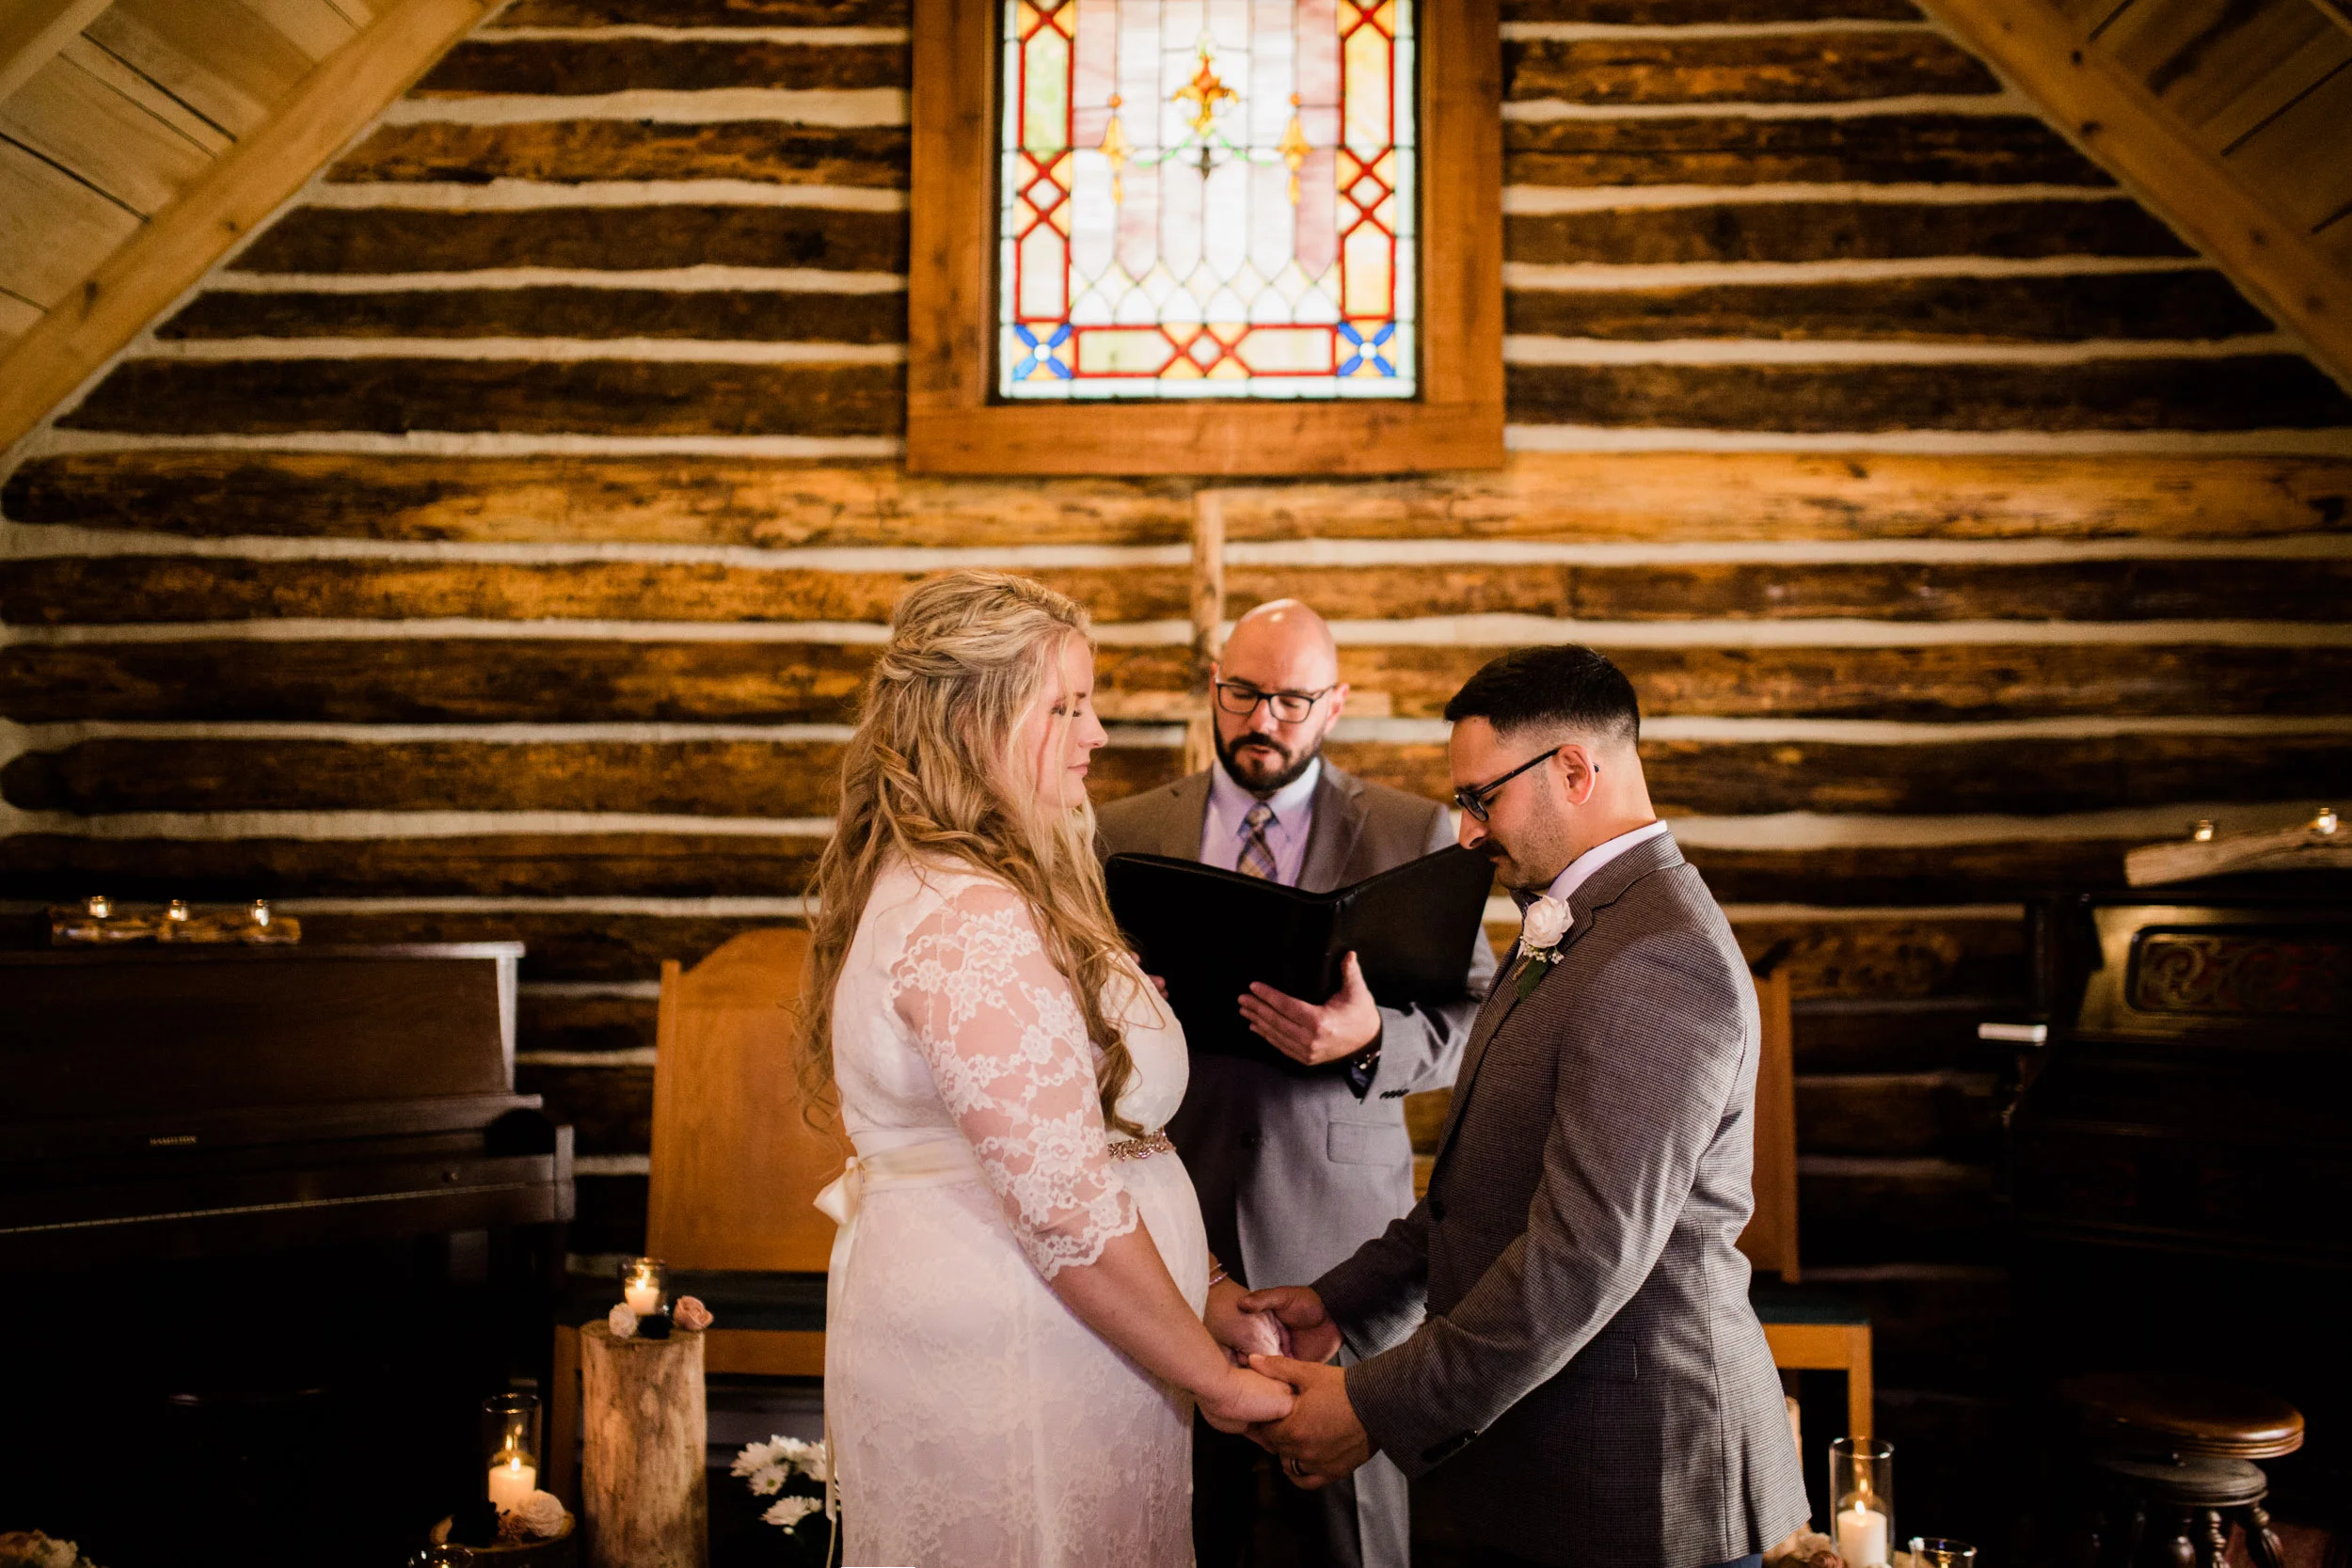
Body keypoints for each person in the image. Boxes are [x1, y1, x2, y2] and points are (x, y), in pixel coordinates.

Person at [1241, 644, 1811, 1568]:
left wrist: (1371, 1405)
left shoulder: (1660, 953)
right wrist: (1340, 1301)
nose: (1468, 832)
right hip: (1545, 1463)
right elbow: (1483, 1190)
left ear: (1574, 771)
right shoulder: (1573, 916)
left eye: (1482, 798)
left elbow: (1580, 1257)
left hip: (1636, 1480)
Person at [799, 570, 1295, 1568]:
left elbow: (1107, 1139)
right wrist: (1216, 1378)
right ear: (970, 722)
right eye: (1064, 706)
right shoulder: (968, 915)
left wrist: (1209, 1293)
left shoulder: (985, 886)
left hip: (1065, 1336)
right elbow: (1065, 1206)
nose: (1095, 733)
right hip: (1017, 1350)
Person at [1095, 599, 1497, 1568]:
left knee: (1352, 1534)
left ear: (1336, 703)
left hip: (1341, 1235)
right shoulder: (1120, 830)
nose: (1261, 719)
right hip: (1166, 1213)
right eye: (1241, 692)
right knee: (1171, 1515)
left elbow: (1480, 1020)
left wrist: (1370, 1039)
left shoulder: (1414, 831)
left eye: (1291, 700)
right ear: (1212, 686)